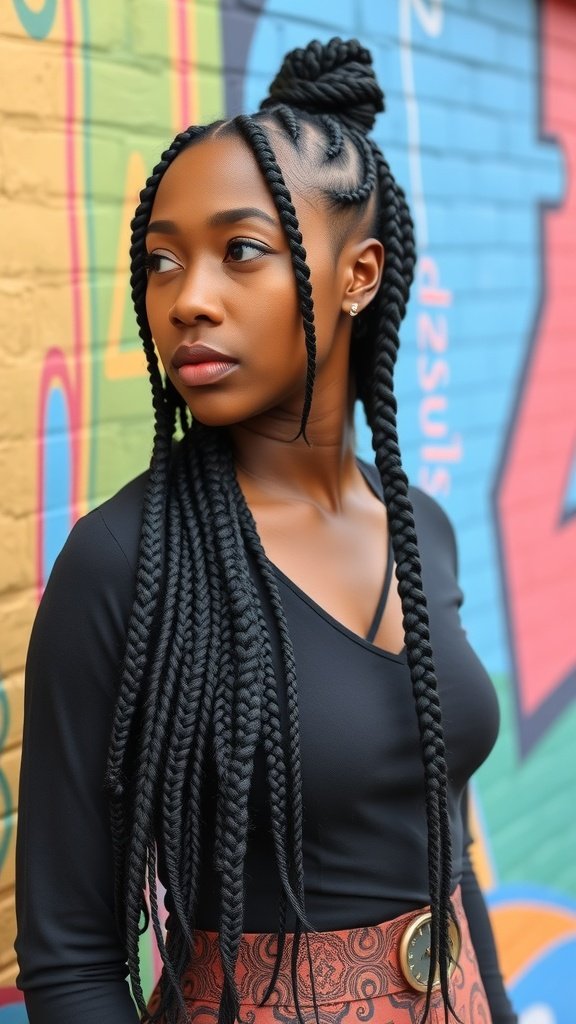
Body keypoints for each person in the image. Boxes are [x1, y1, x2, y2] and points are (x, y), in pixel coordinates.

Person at [14, 37, 517, 1024]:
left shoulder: (422, 533)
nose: (187, 298)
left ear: (358, 273)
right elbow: (70, 959)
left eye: (241, 250)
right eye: (162, 259)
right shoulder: (127, 564)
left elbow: (443, 853)